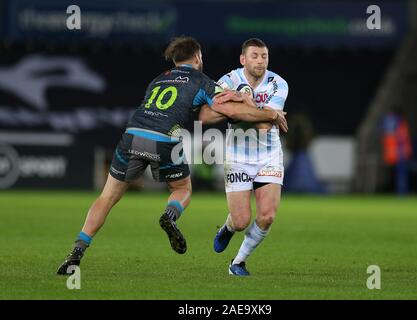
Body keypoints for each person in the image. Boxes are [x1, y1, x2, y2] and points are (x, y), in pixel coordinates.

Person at [57, 36, 288, 275]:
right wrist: (270, 115)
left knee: (106, 198)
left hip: (132, 135)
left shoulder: (159, 79)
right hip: (164, 139)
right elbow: (227, 110)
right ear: (198, 58)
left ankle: (76, 252)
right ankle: (170, 214)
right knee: (182, 189)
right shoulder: (202, 80)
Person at [207, 38, 289, 275]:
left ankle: (238, 262)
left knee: (267, 216)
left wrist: (243, 105)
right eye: (254, 56)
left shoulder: (278, 83)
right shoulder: (228, 81)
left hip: (269, 155)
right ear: (243, 59)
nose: (260, 61)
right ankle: (228, 228)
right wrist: (265, 114)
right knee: (241, 220)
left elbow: (264, 127)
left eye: (264, 56)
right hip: (238, 156)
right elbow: (223, 112)